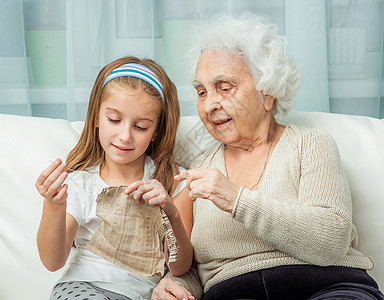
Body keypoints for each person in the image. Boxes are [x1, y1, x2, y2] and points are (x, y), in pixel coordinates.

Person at [152, 13, 384, 300]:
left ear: (268, 92)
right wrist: (173, 287)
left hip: (329, 287)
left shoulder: (311, 145)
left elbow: (331, 241)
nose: (210, 104)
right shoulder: (200, 169)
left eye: (225, 88)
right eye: (201, 92)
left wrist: (237, 199)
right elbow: (191, 266)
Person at [35, 56, 194, 300]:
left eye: (141, 126)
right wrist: (54, 205)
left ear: (156, 132)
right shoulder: (82, 184)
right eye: (114, 120)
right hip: (83, 287)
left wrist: (170, 212)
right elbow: (52, 262)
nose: (125, 136)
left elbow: (180, 266)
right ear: (97, 118)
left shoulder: (174, 183)